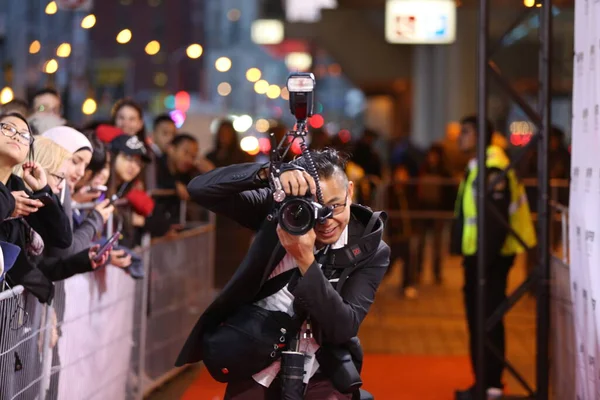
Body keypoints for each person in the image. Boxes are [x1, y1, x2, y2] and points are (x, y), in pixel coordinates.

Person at [176, 148, 390, 399]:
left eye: (336, 206)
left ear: (350, 192)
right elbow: (200, 189)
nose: (327, 220)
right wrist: (267, 173)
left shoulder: (369, 248)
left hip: (320, 370)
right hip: (255, 359)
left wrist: (304, 260)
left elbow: (343, 327)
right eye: (316, 209)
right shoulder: (280, 212)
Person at [451, 116, 536, 400]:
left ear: (479, 136)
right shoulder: (481, 166)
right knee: (480, 321)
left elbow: (497, 224)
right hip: (479, 257)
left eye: (465, 132)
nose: (459, 138)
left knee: (487, 320)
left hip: (490, 260)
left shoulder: (493, 167)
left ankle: (490, 387)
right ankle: (484, 384)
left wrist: (483, 266)